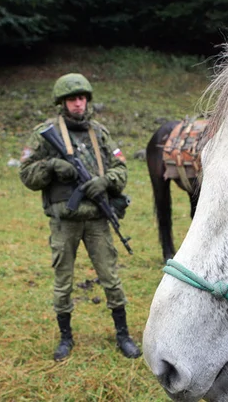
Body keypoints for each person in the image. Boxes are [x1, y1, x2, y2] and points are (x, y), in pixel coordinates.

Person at [19, 73, 140, 361]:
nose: (78, 103)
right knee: (63, 281)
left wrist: (105, 181)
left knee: (110, 277)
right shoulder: (45, 133)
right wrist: (51, 165)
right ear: (62, 102)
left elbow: (121, 168)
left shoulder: (99, 133)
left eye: (82, 98)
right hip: (64, 222)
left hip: (97, 219)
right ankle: (66, 337)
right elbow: (26, 174)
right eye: (72, 99)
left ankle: (123, 334)